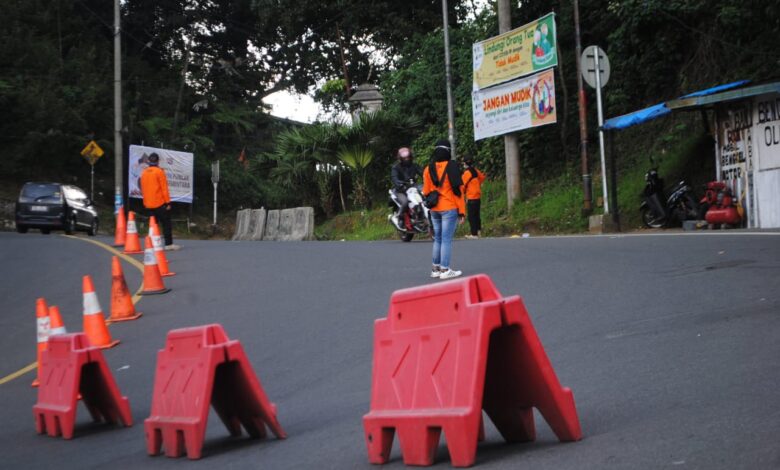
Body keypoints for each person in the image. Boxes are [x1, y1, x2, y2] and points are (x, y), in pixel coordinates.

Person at [423, 140, 465, 280]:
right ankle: (445, 269)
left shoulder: (428, 169)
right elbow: (458, 191)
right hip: (449, 208)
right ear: (448, 151)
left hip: (434, 209)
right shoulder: (452, 166)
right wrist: (462, 212)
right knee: (446, 240)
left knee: (438, 239)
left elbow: (426, 191)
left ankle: (435, 269)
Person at [140, 153, 180, 250]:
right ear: (158, 161)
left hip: (148, 204)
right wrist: (168, 203)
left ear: (149, 161)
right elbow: (164, 188)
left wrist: (145, 202)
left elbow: (142, 189)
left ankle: (151, 244)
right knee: (166, 224)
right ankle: (168, 244)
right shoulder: (159, 172)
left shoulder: (144, 173)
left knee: (153, 225)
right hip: (159, 203)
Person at [390, 147, 423, 231]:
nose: (406, 159)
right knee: (405, 202)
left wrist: (429, 180)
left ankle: (420, 218)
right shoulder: (396, 167)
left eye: (408, 157)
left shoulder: (414, 165)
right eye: (404, 158)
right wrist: (399, 184)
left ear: (411, 157)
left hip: (412, 188)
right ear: (400, 158)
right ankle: (399, 218)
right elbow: (394, 178)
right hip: (400, 190)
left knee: (423, 198)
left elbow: (423, 173)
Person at [461, 154, 486, 239]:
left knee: (471, 216)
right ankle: (479, 231)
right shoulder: (475, 171)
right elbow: (482, 177)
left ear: (465, 163)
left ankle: (473, 234)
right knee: (477, 215)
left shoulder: (467, 173)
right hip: (477, 196)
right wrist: (477, 184)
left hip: (471, 197)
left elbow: (462, 185)